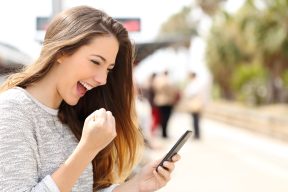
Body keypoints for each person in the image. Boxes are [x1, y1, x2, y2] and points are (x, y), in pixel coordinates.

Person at [0, 6, 180, 192]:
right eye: (95, 62)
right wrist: (86, 150)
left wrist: (136, 186)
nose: (102, 79)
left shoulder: (70, 117)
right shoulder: (12, 110)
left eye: (108, 69)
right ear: (62, 51)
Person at [152, 70, 178, 138]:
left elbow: (154, 89)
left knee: (162, 117)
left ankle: (163, 132)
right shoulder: (170, 81)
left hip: (160, 101)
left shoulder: (158, 80)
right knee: (166, 118)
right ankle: (164, 132)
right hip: (168, 102)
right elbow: (174, 91)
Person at [182, 72, 205, 140]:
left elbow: (190, 93)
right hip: (195, 103)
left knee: (195, 120)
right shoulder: (197, 83)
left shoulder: (194, 84)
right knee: (195, 119)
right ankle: (196, 134)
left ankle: (197, 134)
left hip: (194, 103)